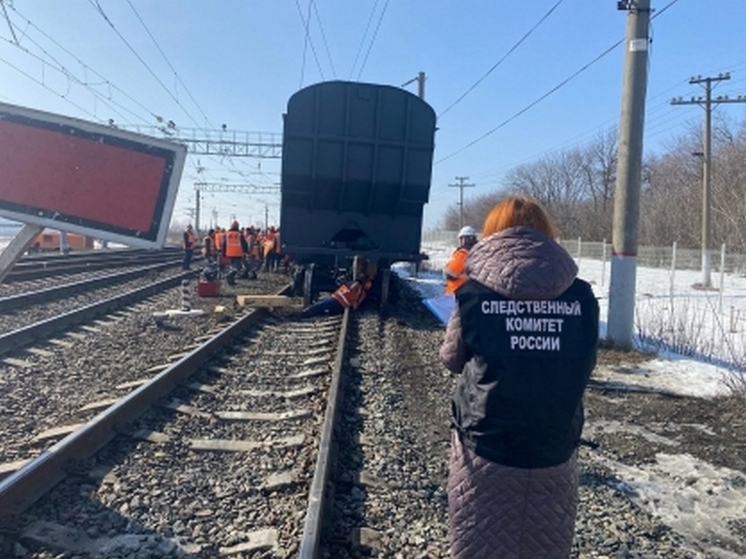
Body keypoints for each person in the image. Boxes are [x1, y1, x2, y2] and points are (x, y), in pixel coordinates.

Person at [439, 196, 599, 559]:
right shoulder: (582, 296)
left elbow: (450, 359)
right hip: (554, 445)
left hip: (485, 445)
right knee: (545, 541)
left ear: (494, 235)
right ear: (547, 235)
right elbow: (585, 363)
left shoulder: (472, 293)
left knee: (479, 539)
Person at [300, 275, 373, 318]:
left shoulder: (363, 293)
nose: (369, 285)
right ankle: (306, 312)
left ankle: (307, 312)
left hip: (340, 303)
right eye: (368, 283)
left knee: (323, 306)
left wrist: (355, 304)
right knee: (322, 305)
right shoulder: (356, 285)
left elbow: (356, 304)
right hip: (337, 299)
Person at [443, 226, 478, 295]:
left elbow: (450, 274)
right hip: (471, 293)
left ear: (464, 239)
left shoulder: (463, 254)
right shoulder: (478, 252)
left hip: (457, 292)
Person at [221, 220, 249, 285]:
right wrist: (245, 251)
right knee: (237, 267)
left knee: (232, 267)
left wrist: (223, 253)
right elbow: (244, 243)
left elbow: (223, 244)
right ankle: (229, 276)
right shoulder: (239, 234)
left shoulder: (226, 234)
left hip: (229, 253)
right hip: (238, 253)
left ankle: (231, 281)